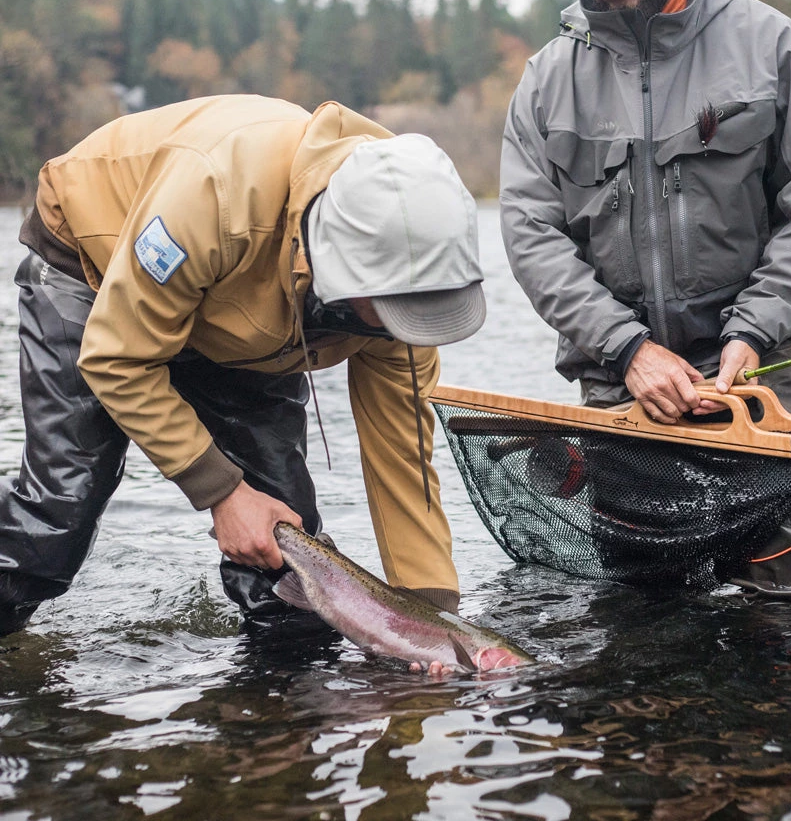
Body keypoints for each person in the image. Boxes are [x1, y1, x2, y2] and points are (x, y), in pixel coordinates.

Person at [0, 93, 486, 638]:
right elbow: (117, 358)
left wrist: (434, 627)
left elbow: (404, 463)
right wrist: (223, 493)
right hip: (98, 263)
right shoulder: (215, 194)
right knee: (57, 521)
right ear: (338, 264)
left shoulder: (412, 278)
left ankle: (278, 712)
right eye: (397, 310)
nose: (409, 325)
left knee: (286, 553)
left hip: (243, 309)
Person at [500, 0, 791, 601]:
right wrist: (628, 351)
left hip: (759, 372)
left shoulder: (773, 46)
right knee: (642, 609)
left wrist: (753, 332)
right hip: (621, 382)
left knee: (785, 597)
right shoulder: (546, 81)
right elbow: (531, 234)